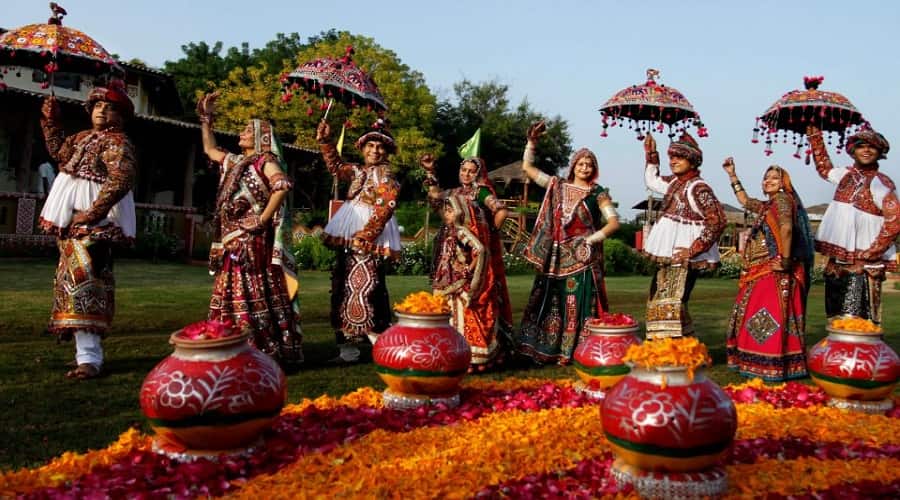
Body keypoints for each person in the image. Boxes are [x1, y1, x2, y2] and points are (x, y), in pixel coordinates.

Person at [37, 80, 137, 379]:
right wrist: (51, 119)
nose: (102, 111)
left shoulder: (118, 142)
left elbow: (121, 179)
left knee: (87, 286)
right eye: (97, 105)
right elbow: (59, 153)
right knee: (71, 286)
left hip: (95, 226)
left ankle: (90, 360)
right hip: (73, 226)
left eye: (109, 108)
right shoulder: (81, 138)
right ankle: (85, 355)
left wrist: (93, 213)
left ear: (120, 116)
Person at [196, 92, 303, 365]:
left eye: (247, 130)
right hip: (231, 237)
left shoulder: (264, 161)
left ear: (261, 137)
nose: (241, 133)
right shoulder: (235, 162)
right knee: (230, 285)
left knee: (250, 285)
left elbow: (281, 186)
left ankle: (257, 344)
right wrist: (206, 120)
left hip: (251, 239)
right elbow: (210, 150)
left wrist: (263, 219)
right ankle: (228, 340)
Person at [515, 121, 621, 365]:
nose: (584, 167)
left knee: (578, 304)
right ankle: (542, 348)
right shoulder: (558, 185)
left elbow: (614, 223)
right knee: (551, 301)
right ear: (573, 165)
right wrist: (531, 143)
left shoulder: (598, 193)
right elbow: (527, 168)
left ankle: (577, 351)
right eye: (581, 163)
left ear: (594, 169)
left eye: (589, 164)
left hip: (582, 257)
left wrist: (592, 239)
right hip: (555, 256)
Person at [316, 118, 401, 363]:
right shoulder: (356, 171)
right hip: (348, 231)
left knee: (368, 287)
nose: (375, 151)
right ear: (362, 149)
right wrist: (326, 141)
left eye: (380, 147)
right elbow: (335, 167)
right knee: (342, 285)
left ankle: (382, 345)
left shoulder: (386, 176)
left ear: (386, 152)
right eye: (370, 146)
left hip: (368, 235)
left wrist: (367, 235)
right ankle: (348, 349)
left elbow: (387, 206)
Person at [722, 160, 814, 381]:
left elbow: (787, 228)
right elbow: (745, 201)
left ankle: (768, 361)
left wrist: (784, 259)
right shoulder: (767, 206)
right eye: (766, 178)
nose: (768, 181)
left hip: (775, 269)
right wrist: (732, 176)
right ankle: (764, 361)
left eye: (774, 177)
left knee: (766, 313)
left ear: (784, 183)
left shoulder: (782, 200)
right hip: (763, 269)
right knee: (756, 311)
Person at [420, 154, 513, 369]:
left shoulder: (481, 192)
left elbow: (501, 211)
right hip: (451, 251)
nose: (466, 174)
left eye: (471, 171)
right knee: (449, 298)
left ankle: (478, 352)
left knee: (475, 299)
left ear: (478, 174)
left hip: (474, 252)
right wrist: (429, 172)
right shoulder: (453, 193)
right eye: (464, 170)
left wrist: (488, 235)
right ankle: (449, 348)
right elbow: (435, 198)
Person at [806, 124, 900, 324]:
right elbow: (824, 168)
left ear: (879, 152)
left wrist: (872, 251)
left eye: (872, 147)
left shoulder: (882, 183)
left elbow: (895, 220)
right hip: (838, 262)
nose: (866, 150)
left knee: (858, 321)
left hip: (864, 263)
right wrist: (814, 134)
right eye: (861, 146)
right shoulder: (844, 175)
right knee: (835, 318)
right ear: (853, 151)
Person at [642, 131, 725, 339]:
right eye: (671, 157)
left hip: (684, 257)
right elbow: (652, 181)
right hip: (671, 255)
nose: (673, 162)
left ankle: (673, 350)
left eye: (679, 157)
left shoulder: (699, 187)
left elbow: (717, 220)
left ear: (692, 160)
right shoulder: (675, 183)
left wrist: (694, 249)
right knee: (662, 299)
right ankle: (669, 347)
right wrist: (652, 153)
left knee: (673, 301)